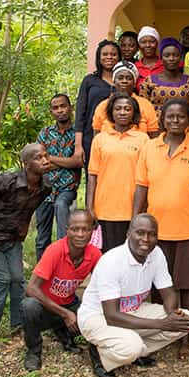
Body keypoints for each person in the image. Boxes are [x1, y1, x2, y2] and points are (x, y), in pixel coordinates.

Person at [132, 98, 189, 358]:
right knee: (157, 285)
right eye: (170, 116)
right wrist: (135, 223)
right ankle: (161, 334)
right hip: (154, 232)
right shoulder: (149, 147)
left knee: (188, 286)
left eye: (181, 116)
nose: (175, 120)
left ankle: (185, 337)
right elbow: (141, 187)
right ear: (163, 119)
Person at [77, 214, 189, 377]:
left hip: (132, 311)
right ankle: (101, 355)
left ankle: (127, 349)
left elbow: (169, 292)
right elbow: (112, 316)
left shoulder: (156, 254)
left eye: (152, 234)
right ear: (128, 234)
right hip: (98, 317)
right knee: (131, 346)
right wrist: (162, 324)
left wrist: (171, 314)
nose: (146, 239)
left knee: (186, 320)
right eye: (140, 233)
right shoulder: (112, 261)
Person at [0, 143, 52, 335]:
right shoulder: (7, 181)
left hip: (12, 239)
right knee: (1, 280)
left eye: (46, 156)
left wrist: (24, 225)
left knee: (17, 279)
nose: (45, 160)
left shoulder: (45, 187)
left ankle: (18, 323)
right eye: (38, 157)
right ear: (26, 164)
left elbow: (31, 206)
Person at [22, 209, 102, 370]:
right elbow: (31, 288)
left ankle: (63, 333)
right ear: (67, 230)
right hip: (45, 306)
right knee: (28, 306)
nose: (80, 234)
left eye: (85, 229)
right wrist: (65, 314)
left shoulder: (94, 254)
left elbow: (104, 284)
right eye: (75, 229)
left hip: (69, 303)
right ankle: (33, 351)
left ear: (92, 231)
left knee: (93, 319)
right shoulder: (55, 250)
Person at [87, 93, 149, 252]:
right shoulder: (100, 139)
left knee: (130, 256)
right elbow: (92, 175)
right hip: (104, 210)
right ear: (111, 113)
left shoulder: (143, 139)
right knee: (105, 257)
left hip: (131, 210)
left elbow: (147, 178)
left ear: (133, 113)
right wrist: (90, 208)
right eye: (118, 109)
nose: (122, 112)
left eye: (127, 109)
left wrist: (143, 208)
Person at [34, 94, 81, 262]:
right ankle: (42, 275)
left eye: (63, 106)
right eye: (56, 108)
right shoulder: (46, 133)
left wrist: (51, 158)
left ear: (70, 107)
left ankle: (63, 266)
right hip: (45, 189)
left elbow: (78, 161)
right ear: (51, 112)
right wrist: (67, 162)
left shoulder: (78, 134)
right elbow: (39, 162)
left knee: (62, 209)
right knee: (42, 238)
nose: (60, 110)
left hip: (66, 189)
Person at [74, 39, 121, 169]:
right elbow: (80, 113)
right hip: (91, 138)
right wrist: (78, 145)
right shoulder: (90, 80)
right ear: (99, 58)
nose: (109, 57)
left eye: (113, 54)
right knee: (93, 176)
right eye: (105, 54)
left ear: (119, 57)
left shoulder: (124, 81)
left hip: (118, 139)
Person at [91, 61, 159, 137]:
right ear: (113, 82)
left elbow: (153, 137)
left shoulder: (146, 105)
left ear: (134, 83)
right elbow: (96, 136)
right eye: (120, 78)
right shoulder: (103, 106)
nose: (124, 81)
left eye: (129, 78)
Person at [139, 37, 189, 114]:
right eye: (167, 55)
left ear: (180, 58)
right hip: (154, 124)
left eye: (175, 55)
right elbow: (142, 107)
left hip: (183, 124)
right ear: (161, 58)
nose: (171, 59)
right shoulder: (149, 81)